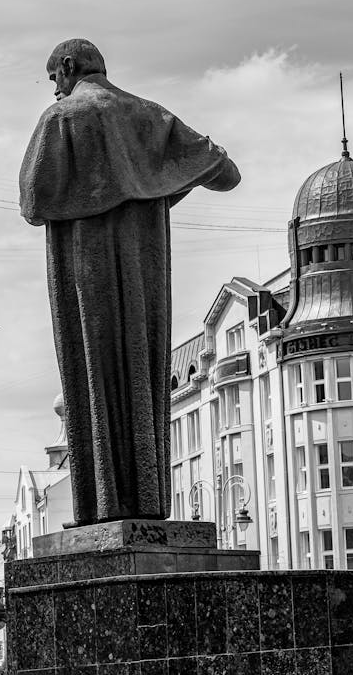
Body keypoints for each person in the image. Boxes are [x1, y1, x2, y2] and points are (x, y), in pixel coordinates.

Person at [19, 38, 240, 525]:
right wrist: (155, 180)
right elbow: (228, 175)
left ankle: (101, 508)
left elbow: (34, 203)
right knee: (142, 365)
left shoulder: (61, 119)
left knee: (92, 369)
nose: (54, 88)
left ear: (69, 68)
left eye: (54, 77)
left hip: (84, 269)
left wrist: (96, 188)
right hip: (146, 268)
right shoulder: (151, 116)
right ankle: (147, 506)